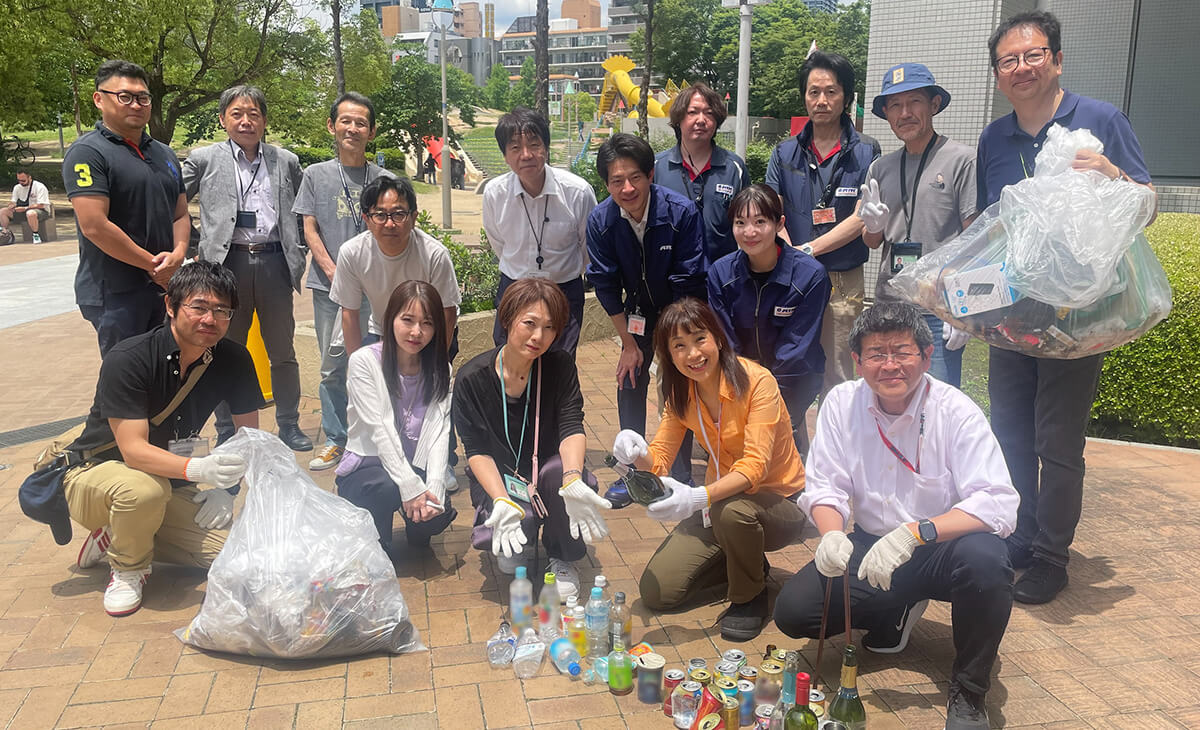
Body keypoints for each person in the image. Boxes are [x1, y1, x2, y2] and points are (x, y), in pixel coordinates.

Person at [977, 10, 1155, 605]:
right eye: (1009, 60)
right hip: (1014, 314)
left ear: (1056, 59)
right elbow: (990, 228)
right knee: (1008, 432)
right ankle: (1020, 536)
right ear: (999, 74)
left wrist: (1112, 175)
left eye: (1033, 55)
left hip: (1079, 314)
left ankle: (1053, 555)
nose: (1022, 67)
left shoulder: (1100, 120)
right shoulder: (993, 138)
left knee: (1057, 438)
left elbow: (1147, 205)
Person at [773, 302, 1018, 729]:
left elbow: (997, 501)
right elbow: (826, 484)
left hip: (943, 545)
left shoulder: (956, 411)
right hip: (873, 546)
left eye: (902, 352)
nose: (890, 365)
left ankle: (969, 691)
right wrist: (832, 535)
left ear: (926, 355)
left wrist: (917, 533)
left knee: (988, 562)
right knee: (795, 612)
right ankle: (896, 607)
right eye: (876, 354)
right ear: (857, 361)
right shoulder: (840, 403)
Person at [61, 261, 265, 617]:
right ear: (170, 306)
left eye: (222, 311)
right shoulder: (130, 359)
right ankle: (128, 568)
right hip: (97, 472)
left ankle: (122, 531)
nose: (210, 319)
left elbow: (251, 436)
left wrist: (228, 489)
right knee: (142, 492)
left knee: (234, 553)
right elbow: (134, 452)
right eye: (199, 307)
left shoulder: (233, 358)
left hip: (169, 479)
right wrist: (202, 469)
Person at [613, 298, 806, 641]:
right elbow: (658, 462)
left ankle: (749, 598)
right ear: (669, 355)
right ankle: (746, 563)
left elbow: (755, 467)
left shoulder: (757, 382)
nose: (693, 354)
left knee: (733, 512)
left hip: (778, 503)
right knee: (659, 592)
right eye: (679, 346)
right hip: (718, 505)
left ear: (717, 338)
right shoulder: (680, 393)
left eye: (700, 339)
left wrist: (697, 497)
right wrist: (635, 452)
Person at [453, 278, 611, 603]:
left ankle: (563, 556)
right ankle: (517, 529)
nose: (539, 337)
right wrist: (500, 499)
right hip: (502, 476)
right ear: (507, 318)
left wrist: (573, 478)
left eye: (550, 328)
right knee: (515, 531)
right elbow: (477, 449)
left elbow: (571, 425)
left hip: (548, 471)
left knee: (563, 480)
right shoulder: (471, 378)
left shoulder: (559, 365)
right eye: (530, 323)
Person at [182, 85, 311, 452]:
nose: (246, 121)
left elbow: (303, 210)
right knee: (224, 349)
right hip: (226, 266)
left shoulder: (285, 160)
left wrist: (297, 246)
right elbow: (173, 201)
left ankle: (289, 424)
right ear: (223, 119)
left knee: (282, 351)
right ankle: (227, 430)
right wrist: (193, 246)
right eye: (237, 113)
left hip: (273, 264)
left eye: (253, 114)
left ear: (264, 120)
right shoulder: (205, 159)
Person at [586, 132, 706, 496]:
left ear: (651, 174)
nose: (627, 188)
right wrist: (628, 343)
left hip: (680, 312)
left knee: (679, 384)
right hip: (636, 315)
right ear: (606, 183)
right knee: (629, 378)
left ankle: (679, 473)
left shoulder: (680, 212)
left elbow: (689, 278)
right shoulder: (601, 221)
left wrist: (676, 344)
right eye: (616, 180)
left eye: (635, 177)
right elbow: (605, 284)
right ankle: (632, 474)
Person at [766, 51, 880, 399]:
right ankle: (792, 448)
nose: (822, 100)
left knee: (840, 374)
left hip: (841, 280)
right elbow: (773, 212)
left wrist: (808, 251)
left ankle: (838, 452)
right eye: (813, 91)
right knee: (787, 367)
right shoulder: (784, 153)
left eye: (831, 91)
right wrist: (794, 256)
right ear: (804, 95)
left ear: (845, 95)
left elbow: (862, 215)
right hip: (792, 277)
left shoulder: (866, 151)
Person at [293, 92, 396, 471]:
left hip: (377, 289)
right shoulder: (315, 175)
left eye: (361, 122)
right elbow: (309, 227)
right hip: (328, 288)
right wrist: (334, 270)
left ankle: (384, 438)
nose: (353, 128)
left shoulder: (385, 179)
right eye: (346, 121)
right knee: (333, 367)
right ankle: (338, 439)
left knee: (383, 361)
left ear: (372, 130)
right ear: (332, 125)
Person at [858, 63, 978, 388]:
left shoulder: (961, 160)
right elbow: (872, 242)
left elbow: (974, 238)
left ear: (934, 105)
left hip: (938, 311)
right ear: (886, 113)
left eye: (914, 102)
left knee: (936, 407)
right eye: (895, 105)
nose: (905, 112)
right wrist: (872, 225)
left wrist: (963, 307)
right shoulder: (880, 168)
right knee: (890, 398)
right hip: (888, 307)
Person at [63, 60, 191, 356]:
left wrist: (178, 255)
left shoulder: (165, 154)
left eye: (143, 97)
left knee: (166, 372)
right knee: (126, 382)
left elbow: (181, 213)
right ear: (99, 99)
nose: (136, 104)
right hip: (116, 293)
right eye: (125, 97)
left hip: (164, 287)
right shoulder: (88, 153)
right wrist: (152, 265)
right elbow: (94, 225)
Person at [336, 281, 457, 557]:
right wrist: (411, 487)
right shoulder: (364, 362)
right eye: (407, 320)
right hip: (367, 471)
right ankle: (376, 544)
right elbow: (380, 429)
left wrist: (434, 488)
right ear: (390, 319)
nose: (416, 332)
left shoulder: (440, 369)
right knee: (387, 487)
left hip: (414, 465)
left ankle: (415, 519)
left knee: (435, 514)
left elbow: (440, 432)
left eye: (427, 323)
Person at [707, 185, 830, 456]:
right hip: (739, 377)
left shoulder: (810, 275)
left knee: (777, 438)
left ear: (779, 223)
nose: (749, 232)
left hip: (794, 378)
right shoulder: (720, 273)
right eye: (740, 223)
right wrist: (742, 385)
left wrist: (765, 395)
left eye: (760, 221)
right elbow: (725, 339)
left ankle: (797, 483)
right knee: (743, 444)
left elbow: (797, 346)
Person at [483, 107, 597, 356]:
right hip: (514, 287)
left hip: (563, 290)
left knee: (560, 364)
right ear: (505, 155)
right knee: (509, 361)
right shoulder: (494, 194)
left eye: (534, 145)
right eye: (515, 148)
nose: (526, 155)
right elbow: (499, 243)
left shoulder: (577, 192)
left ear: (546, 147)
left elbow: (588, 246)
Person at [654, 83, 750, 265]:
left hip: (722, 278)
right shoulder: (657, 167)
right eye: (692, 112)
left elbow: (748, 225)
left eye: (709, 113)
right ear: (678, 119)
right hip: (669, 280)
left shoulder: (734, 168)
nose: (701, 119)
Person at [1, 169, 50, 243]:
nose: (21, 183)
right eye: (19, 180)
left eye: (23, 180)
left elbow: (42, 205)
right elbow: (13, 201)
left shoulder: (39, 187)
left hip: (41, 211)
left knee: (30, 213)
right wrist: (11, 205)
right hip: (22, 211)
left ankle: (35, 235)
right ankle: (5, 233)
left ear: (29, 177)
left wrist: (25, 208)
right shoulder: (17, 187)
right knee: (3, 211)